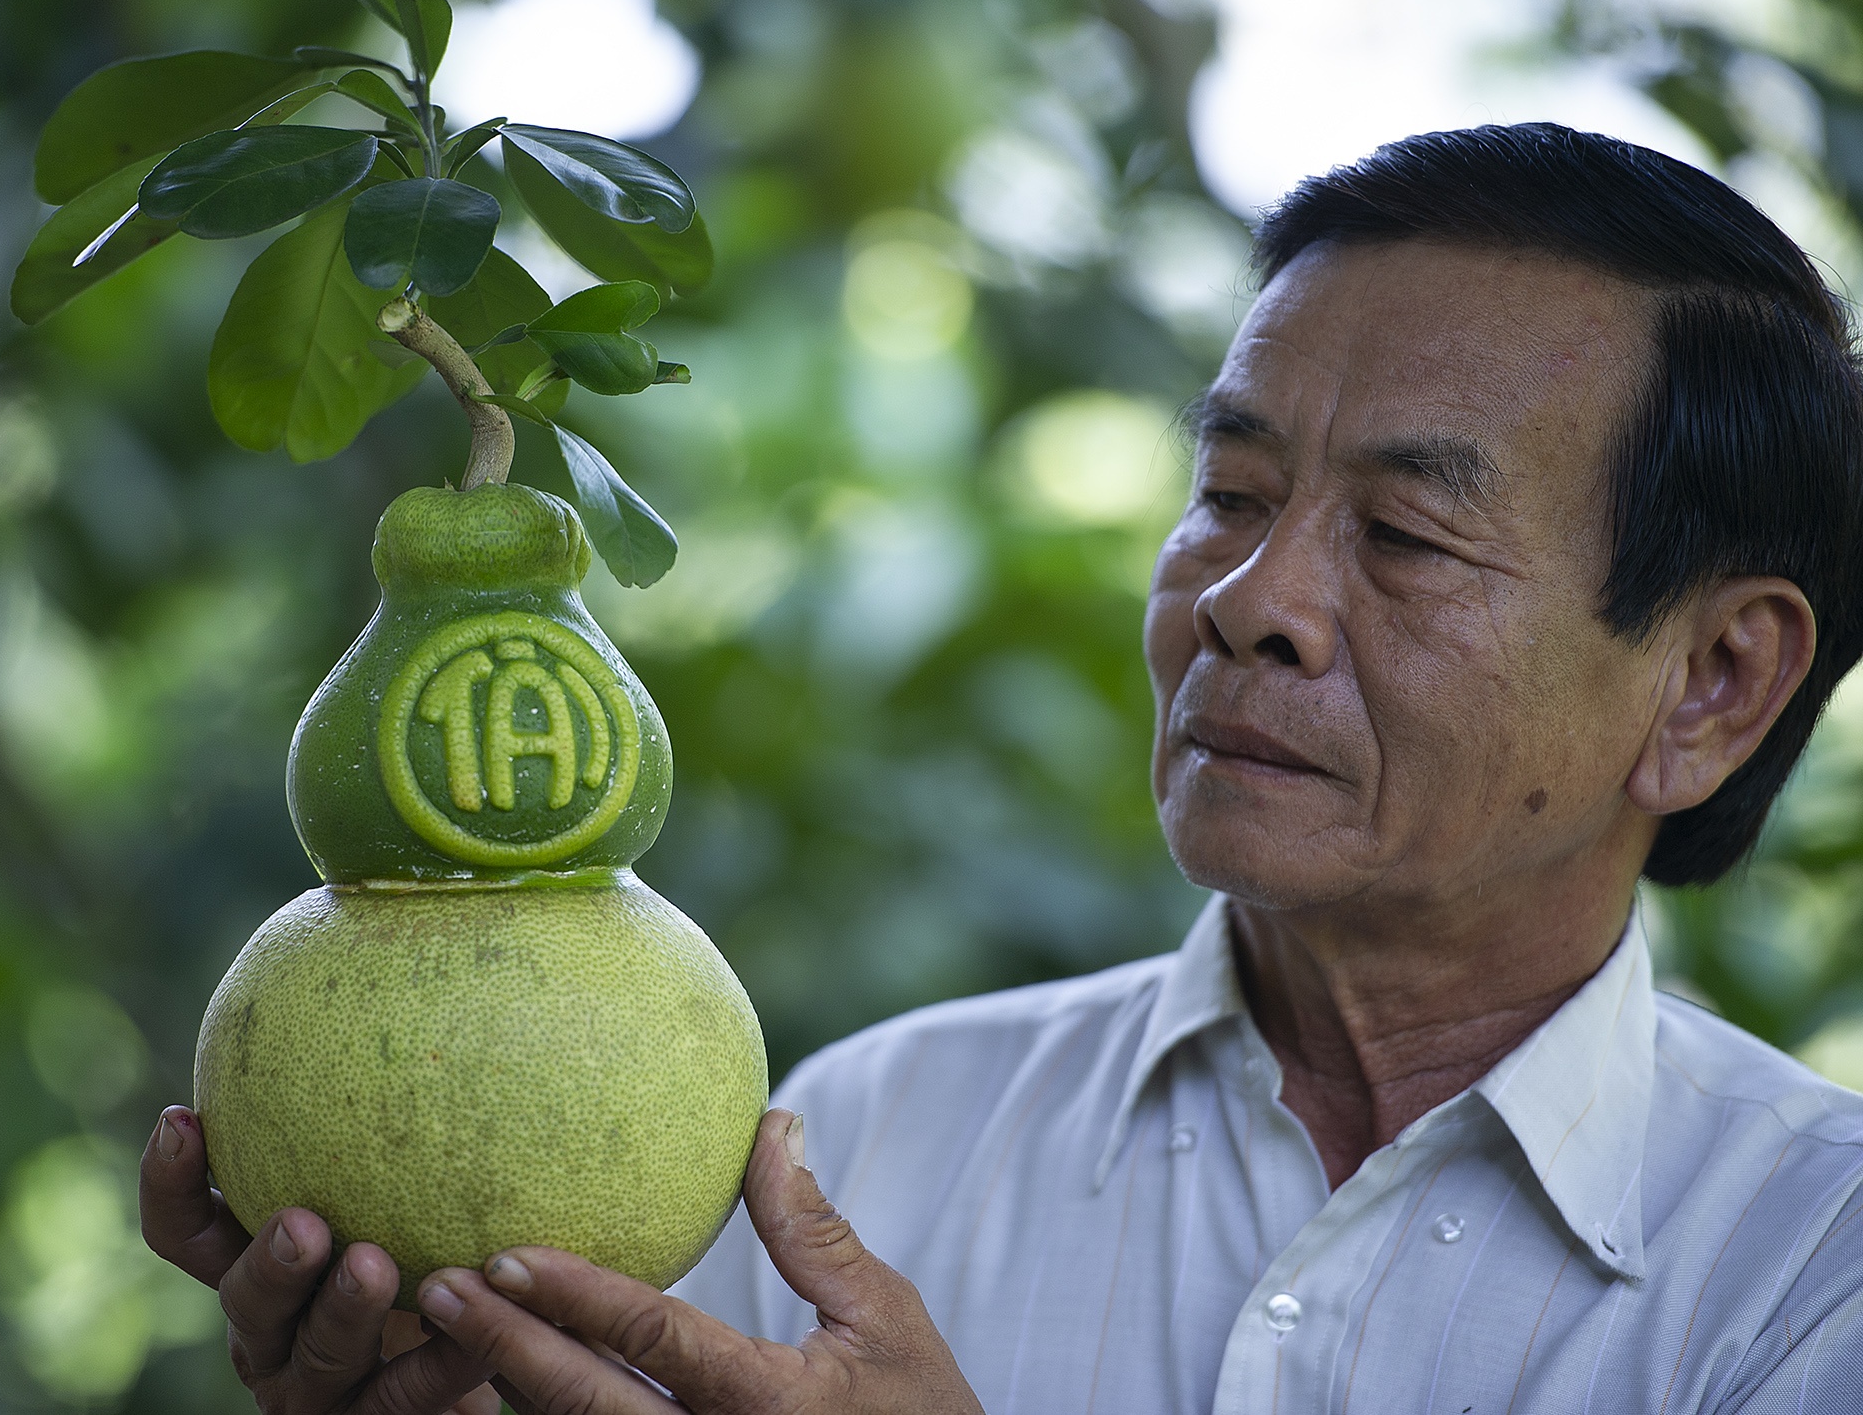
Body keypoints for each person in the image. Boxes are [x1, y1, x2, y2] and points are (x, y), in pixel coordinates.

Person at [140, 123, 1863, 1413]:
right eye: (1233, 495)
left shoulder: (1811, 1267)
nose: (1248, 601)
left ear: (1714, 685)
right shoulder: (852, 1139)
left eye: (1407, 535)